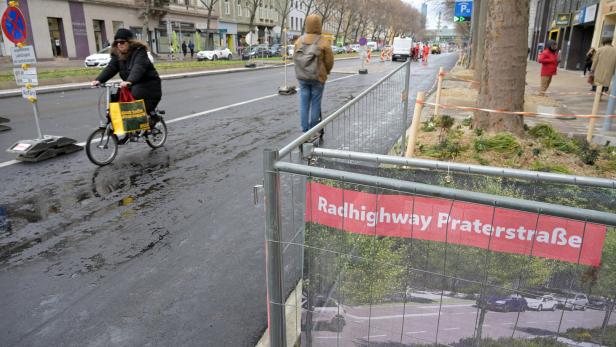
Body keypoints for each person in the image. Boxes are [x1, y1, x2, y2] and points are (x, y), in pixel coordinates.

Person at [91, 28, 162, 126]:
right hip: (131, 84)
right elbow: (111, 68)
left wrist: (129, 80)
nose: (119, 44)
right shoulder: (117, 55)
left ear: (130, 42)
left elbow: (138, 67)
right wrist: (98, 80)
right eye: (117, 43)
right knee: (116, 100)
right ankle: (126, 127)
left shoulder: (139, 52)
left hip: (148, 84)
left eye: (122, 42)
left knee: (136, 94)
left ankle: (153, 116)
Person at [293, 14, 334, 133]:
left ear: (306, 24)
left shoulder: (299, 40)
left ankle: (304, 131)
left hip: (302, 77)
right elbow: (329, 61)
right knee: (316, 104)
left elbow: (294, 58)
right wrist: (326, 71)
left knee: (304, 104)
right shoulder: (324, 41)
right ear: (319, 26)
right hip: (318, 77)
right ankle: (313, 131)